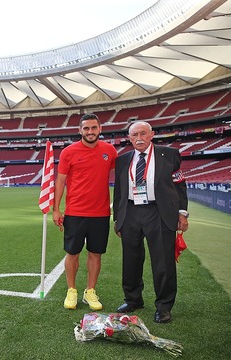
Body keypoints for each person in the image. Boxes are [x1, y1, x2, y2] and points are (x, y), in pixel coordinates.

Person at [113, 121, 189, 323]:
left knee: (163, 261)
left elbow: (180, 185)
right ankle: (133, 299)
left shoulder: (170, 155)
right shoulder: (122, 160)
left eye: (143, 133)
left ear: (152, 134)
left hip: (159, 212)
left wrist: (182, 213)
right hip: (130, 212)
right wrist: (117, 219)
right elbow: (119, 191)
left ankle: (164, 306)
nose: (139, 137)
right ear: (129, 138)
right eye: (134, 134)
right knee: (131, 260)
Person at [53, 113, 118, 311]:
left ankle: (90, 291)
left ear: (100, 129)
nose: (90, 132)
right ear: (80, 130)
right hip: (75, 212)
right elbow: (61, 181)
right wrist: (56, 209)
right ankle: (71, 290)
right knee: (72, 253)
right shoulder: (68, 152)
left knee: (95, 254)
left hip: (100, 213)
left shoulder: (109, 151)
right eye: (86, 128)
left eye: (93, 128)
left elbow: (121, 178)